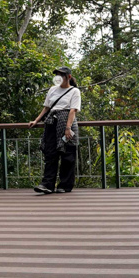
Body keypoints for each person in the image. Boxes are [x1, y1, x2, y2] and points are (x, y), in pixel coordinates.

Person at [27, 66, 81, 194]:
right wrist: (36, 120)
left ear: (68, 77)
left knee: (68, 155)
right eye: (57, 75)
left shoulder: (75, 91)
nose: (58, 77)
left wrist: (68, 128)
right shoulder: (52, 89)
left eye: (61, 75)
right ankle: (47, 185)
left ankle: (65, 185)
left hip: (67, 123)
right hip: (52, 123)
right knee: (50, 153)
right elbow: (46, 108)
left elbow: (73, 110)